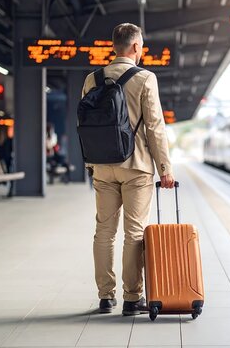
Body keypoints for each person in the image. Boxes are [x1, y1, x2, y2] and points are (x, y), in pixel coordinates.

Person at [81, 23, 174, 315]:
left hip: (103, 167)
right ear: (134, 47)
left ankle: (105, 297)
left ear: (113, 46)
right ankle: (133, 298)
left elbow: (86, 125)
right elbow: (155, 127)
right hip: (136, 166)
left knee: (104, 233)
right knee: (134, 232)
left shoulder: (92, 78)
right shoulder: (145, 78)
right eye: (142, 45)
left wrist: (90, 164)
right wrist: (165, 169)